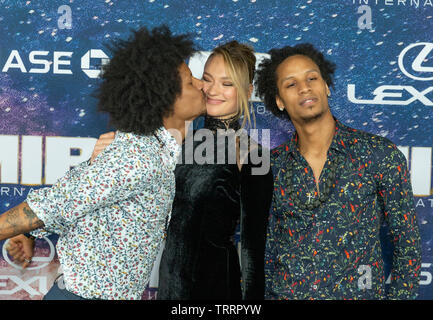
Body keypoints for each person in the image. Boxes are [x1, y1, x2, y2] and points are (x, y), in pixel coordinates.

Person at [0, 25, 206, 300]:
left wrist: (33, 233)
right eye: (192, 82)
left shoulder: (157, 150)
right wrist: (28, 227)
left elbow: (90, 202)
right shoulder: (139, 156)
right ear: (164, 99)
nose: (203, 85)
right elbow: (54, 204)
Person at [77, 41, 274, 299]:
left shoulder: (252, 154)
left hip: (216, 292)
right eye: (207, 79)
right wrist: (107, 156)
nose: (213, 90)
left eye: (227, 84)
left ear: (247, 92)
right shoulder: (177, 143)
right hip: (169, 287)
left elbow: (252, 251)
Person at [255, 43, 421, 300]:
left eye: (312, 78)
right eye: (291, 84)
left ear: (327, 86)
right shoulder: (270, 166)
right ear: (278, 101)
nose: (305, 87)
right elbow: (265, 251)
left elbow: (407, 244)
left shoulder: (378, 154)